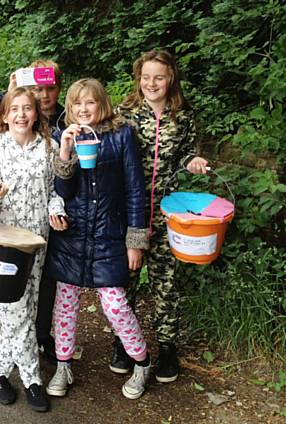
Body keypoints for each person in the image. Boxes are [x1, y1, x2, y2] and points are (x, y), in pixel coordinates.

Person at [44, 78, 152, 400]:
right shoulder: (63, 135)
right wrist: (64, 151)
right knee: (66, 304)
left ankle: (142, 362)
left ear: (101, 103)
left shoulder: (121, 135)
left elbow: (135, 189)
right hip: (72, 235)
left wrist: (135, 240)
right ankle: (63, 365)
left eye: (89, 102)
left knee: (115, 304)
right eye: (76, 103)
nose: (83, 109)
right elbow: (63, 191)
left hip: (109, 235)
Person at [112, 49, 209, 383]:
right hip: (132, 213)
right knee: (126, 280)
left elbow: (186, 155)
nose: (152, 83)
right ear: (139, 78)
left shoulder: (184, 116)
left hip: (170, 214)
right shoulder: (124, 114)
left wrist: (192, 162)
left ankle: (167, 349)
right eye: (146, 76)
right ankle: (123, 343)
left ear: (171, 80)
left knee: (167, 284)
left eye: (159, 77)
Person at [0, 87, 64, 412]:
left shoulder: (49, 147)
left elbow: (56, 192)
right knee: (15, 310)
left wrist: (57, 211)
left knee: (25, 311)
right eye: (14, 108)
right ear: (4, 115)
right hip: (5, 244)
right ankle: (32, 380)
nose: (20, 114)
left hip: (38, 241)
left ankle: (0, 372)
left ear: (36, 113)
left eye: (27, 108)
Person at [7, 59, 65, 362]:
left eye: (50, 88)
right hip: (19, 216)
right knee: (19, 279)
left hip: (56, 211)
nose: (44, 95)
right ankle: (20, 338)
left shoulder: (68, 120)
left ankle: (42, 335)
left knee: (48, 277)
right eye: (37, 88)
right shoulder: (19, 116)